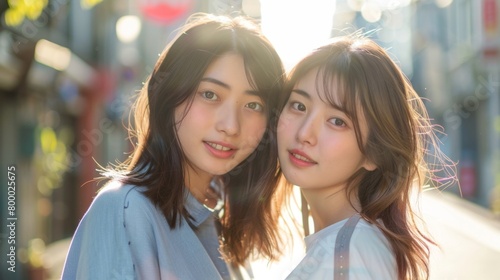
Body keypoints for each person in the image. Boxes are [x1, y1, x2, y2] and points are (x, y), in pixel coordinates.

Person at [62, 12, 287, 280]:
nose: (231, 125)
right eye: (210, 94)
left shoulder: (217, 220)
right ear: (169, 98)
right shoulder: (124, 210)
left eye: (253, 105)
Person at [277, 35, 456, 279]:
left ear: (374, 153)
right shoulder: (363, 242)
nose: (305, 133)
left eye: (337, 121)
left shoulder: (341, 257)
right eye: (298, 106)